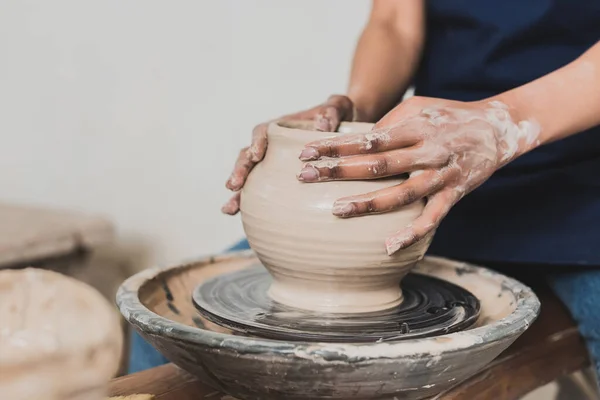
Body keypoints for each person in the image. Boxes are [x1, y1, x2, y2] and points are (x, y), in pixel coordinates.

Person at [133, 0, 600, 391]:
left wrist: (501, 126)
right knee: (159, 337)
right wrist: (358, 111)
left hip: (584, 191)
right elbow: (394, 21)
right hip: (430, 175)